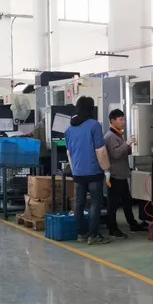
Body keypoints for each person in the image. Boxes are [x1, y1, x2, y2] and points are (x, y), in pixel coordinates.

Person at [65, 96, 111, 245]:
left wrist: (75, 170)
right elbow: (100, 150)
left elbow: (69, 153)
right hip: (93, 171)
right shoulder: (94, 125)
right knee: (96, 203)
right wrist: (106, 169)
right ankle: (93, 235)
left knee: (79, 203)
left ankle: (81, 233)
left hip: (78, 172)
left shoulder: (69, 129)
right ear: (91, 109)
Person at [103, 109, 148, 239]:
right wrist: (127, 143)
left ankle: (132, 224)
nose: (123, 122)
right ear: (112, 121)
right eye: (120, 119)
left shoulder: (118, 135)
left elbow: (122, 152)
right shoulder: (110, 137)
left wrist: (132, 147)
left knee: (127, 201)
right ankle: (112, 228)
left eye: (124, 119)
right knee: (113, 204)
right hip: (115, 175)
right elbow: (116, 154)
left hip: (121, 175)